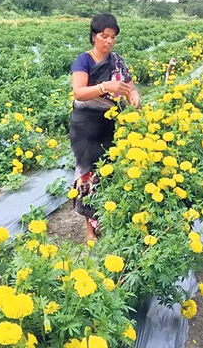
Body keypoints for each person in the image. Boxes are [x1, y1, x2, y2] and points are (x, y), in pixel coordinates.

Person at [69, 13, 141, 241]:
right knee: (88, 175)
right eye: (104, 36)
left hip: (112, 125)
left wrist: (135, 98)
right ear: (94, 36)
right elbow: (79, 92)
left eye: (113, 37)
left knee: (109, 172)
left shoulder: (118, 61)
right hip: (86, 126)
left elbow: (130, 88)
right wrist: (103, 87)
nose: (109, 41)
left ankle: (107, 219)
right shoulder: (84, 60)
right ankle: (89, 229)